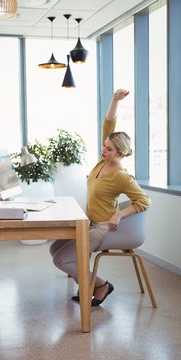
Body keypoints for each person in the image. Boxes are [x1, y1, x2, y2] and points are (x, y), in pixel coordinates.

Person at [49, 89, 151, 306]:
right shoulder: (101, 162)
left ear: (121, 154)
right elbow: (108, 125)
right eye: (104, 146)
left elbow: (144, 201)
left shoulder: (121, 176)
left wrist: (119, 214)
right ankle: (90, 284)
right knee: (54, 247)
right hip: (88, 223)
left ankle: (100, 284)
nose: (103, 150)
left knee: (61, 258)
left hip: (101, 228)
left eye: (109, 149)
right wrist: (115, 100)